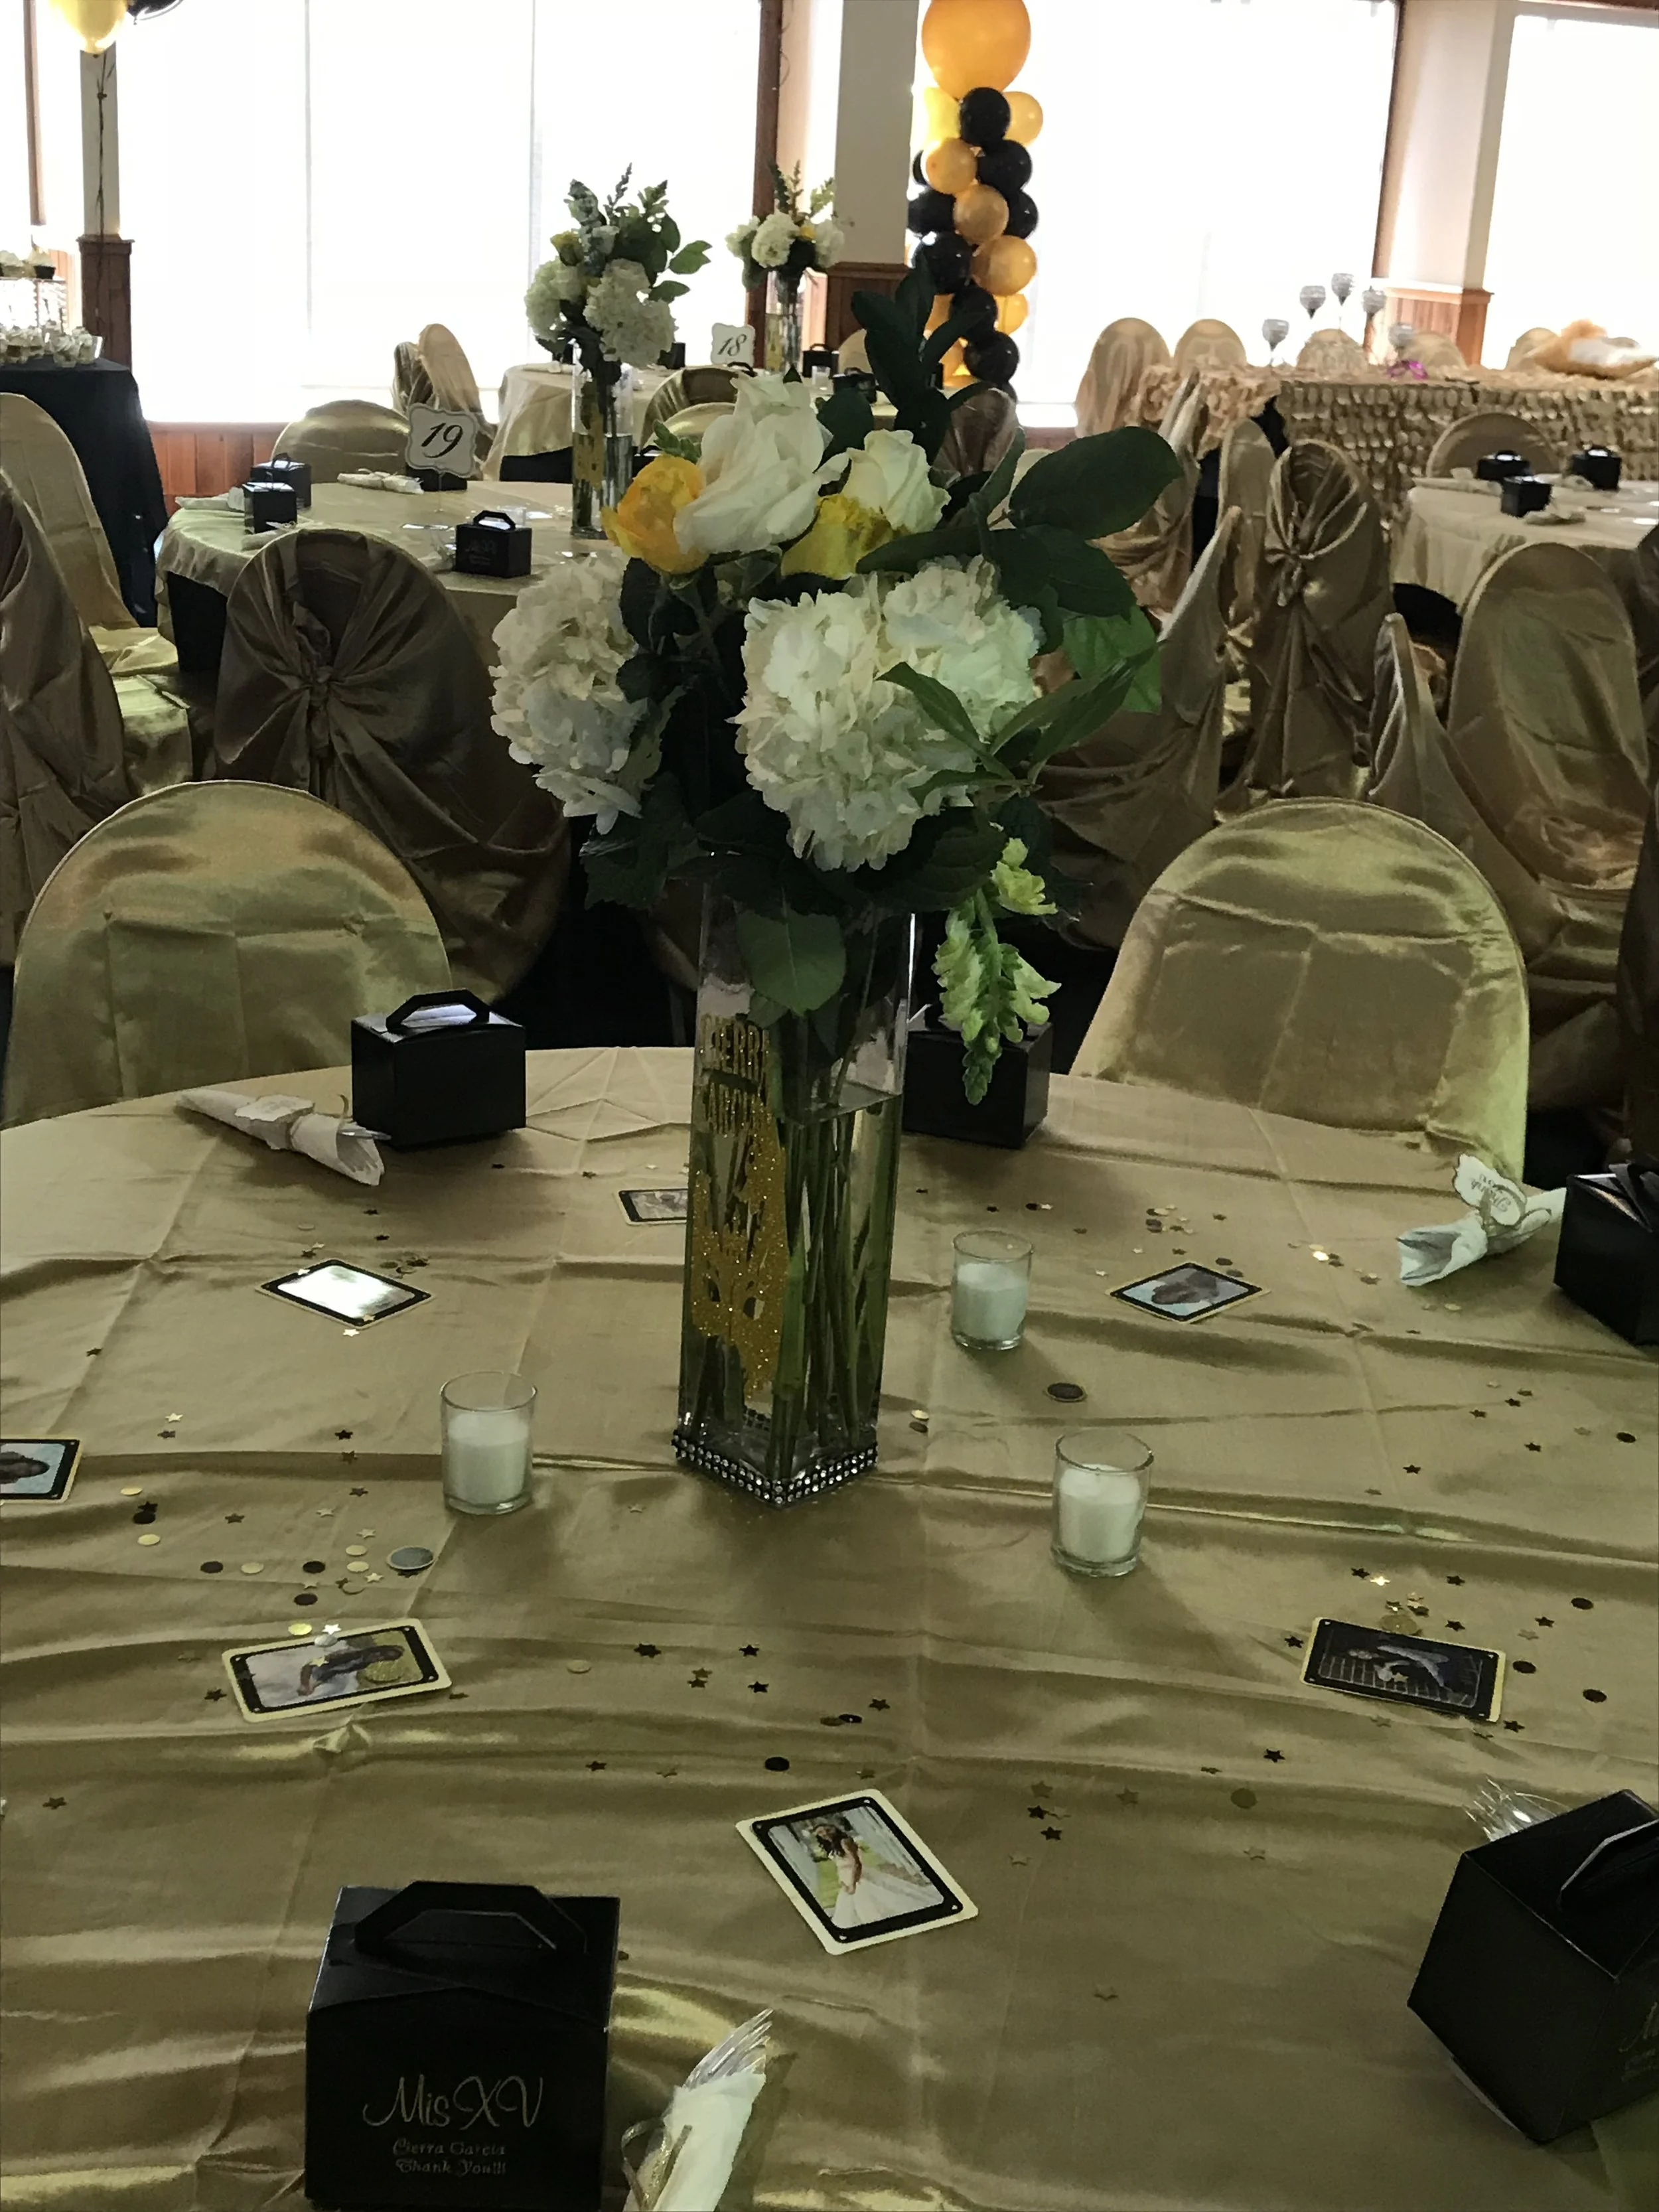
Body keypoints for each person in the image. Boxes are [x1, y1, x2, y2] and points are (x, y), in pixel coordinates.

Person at [810, 1817, 936, 1929]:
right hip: (846, 1879)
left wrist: (853, 1883)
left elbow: (856, 1863)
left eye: (828, 1829)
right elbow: (840, 1864)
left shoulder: (845, 1841)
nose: (825, 1833)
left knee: (872, 1899)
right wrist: (842, 1881)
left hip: (857, 1877)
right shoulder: (832, 1846)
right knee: (851, 1908)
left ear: (834, 1828)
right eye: (821, 1832)